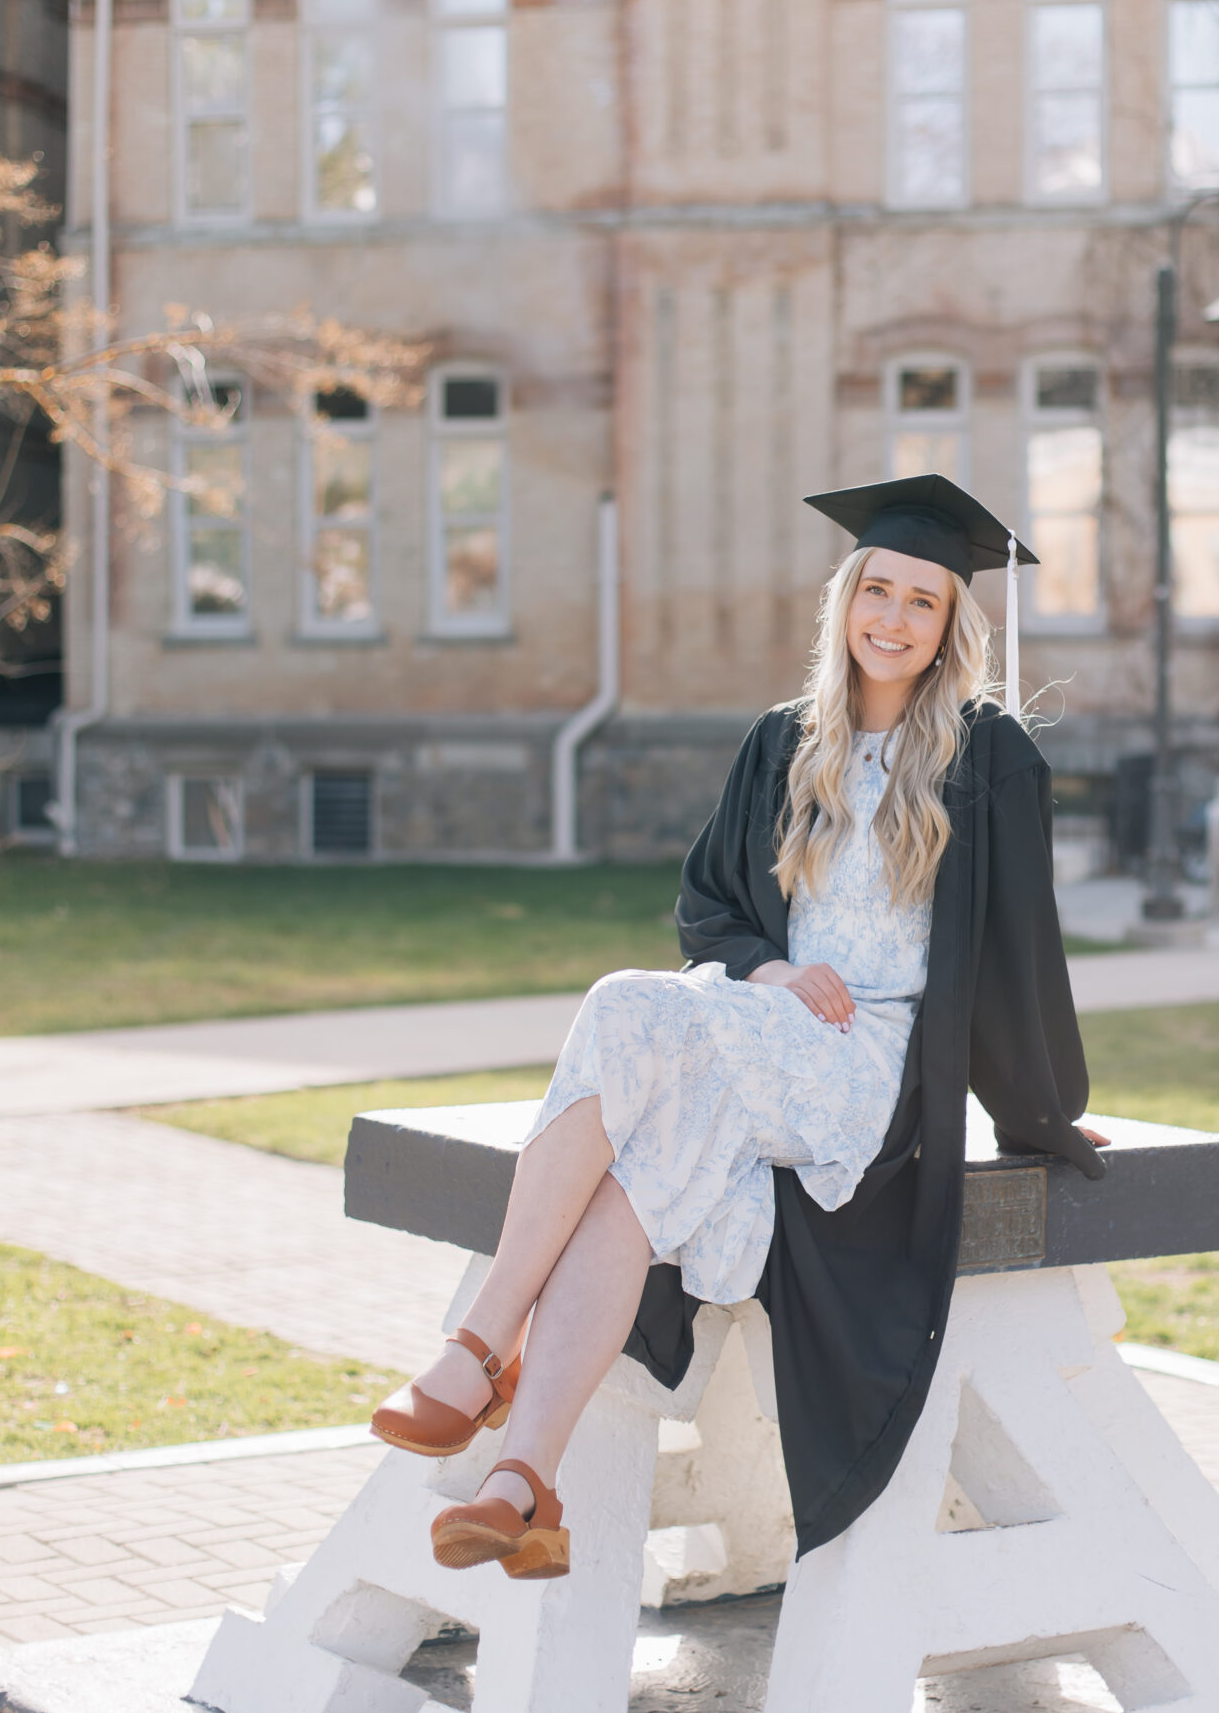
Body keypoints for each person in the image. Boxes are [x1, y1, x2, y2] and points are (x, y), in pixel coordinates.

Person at [371, 474, 1108, 1581]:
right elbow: (709, 904)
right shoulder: (783, 742)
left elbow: (1017, 948)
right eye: (877, 591)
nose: (893, 620)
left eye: (921, 602)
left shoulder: (985, 753)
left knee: (623, 1007)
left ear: (953, 623)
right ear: (844, 600)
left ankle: (479, 1349)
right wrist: (767, 968)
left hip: (871, 1066)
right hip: (762, 1030)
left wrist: (1041, 1115)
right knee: (628, 1186)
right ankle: (523, 1482)